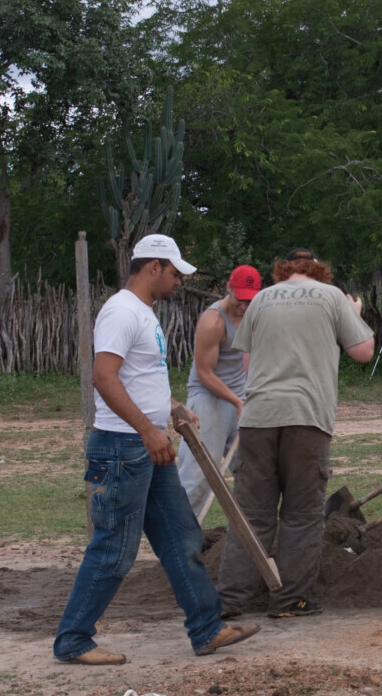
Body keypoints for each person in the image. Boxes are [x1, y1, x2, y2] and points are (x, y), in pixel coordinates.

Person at [54, 234, 259, 664]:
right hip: (123, 448)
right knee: (114, 548)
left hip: (147, 445)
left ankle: (206, 629)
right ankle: (73, 639)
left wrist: (170, 408)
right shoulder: (121, 313)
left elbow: (136, 377)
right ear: (153, 267)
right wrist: (147, 429)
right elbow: (104, 377)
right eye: (174, 272)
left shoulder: (142, 314)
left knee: (181, 536)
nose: (178, 281)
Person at [218, 248, 374, 618]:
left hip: (258, 417)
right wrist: (353, 316)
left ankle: (231, 599)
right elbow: (364, 352)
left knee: (251, 513)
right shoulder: (332, 296)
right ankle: (289, 600)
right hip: (306, 417)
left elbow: (247, 363)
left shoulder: (261, 300)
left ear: (282, 270)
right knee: (301, 514)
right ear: (319, 270)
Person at [176, 264, 260, 512]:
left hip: (239, 398)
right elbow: (204, 373)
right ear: (228, 288)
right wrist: (237, 401)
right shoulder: (213, 321)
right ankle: (183, 542)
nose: (244, 306)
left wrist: (245, 397)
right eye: (239, 299)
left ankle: (248, 540)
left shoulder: (253, 316)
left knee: (252, 473)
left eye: (249, 300)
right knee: (201, 476)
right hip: (208, 399)